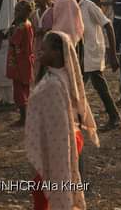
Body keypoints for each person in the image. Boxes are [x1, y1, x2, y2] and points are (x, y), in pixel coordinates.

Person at [25, 30, 99, 210]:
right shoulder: (62, 77)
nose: (39, 53)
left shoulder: (53, 84)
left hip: (59, 143)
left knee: (46, 189)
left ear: (57, 52)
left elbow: (57, 128)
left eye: (44, 49)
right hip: (70, 138)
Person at [66, 0, 121, 130]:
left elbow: (108, 25)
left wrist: (112, 53)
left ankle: (112, 117)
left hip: (91, 51)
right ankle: (112, 116)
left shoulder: (89, 6)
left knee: (84, 85)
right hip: (78, 52)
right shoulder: (70, 5)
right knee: (91, 85)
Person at [6, 0, 34, 126]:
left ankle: (23, 118)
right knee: (25, 90)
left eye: (18, 11)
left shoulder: (21, 26)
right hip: (25, 61)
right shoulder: (27, 24)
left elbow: (13, 40)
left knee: (19, 91)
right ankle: (26, 116)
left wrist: (12, 28)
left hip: (19, 62)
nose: (16, 13)